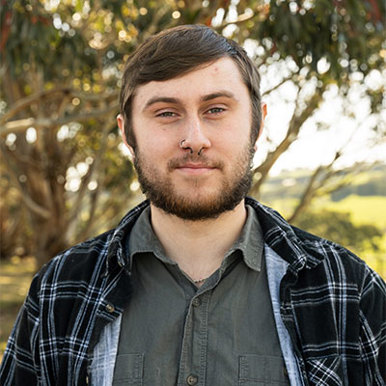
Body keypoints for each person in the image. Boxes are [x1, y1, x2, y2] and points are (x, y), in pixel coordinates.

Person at [0, 24, 385, 386]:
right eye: (166, 113)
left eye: (216, 109)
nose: (194, 139)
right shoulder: (61, 290)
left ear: (258, 124)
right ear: (127, 134)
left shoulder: (346, 288)